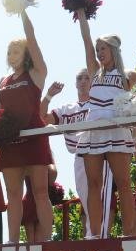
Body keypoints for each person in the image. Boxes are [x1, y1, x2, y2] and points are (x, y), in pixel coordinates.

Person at [73, 9, 136, 239]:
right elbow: (85, 39)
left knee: (123, 183)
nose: (99, 52)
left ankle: (129, 233)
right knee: (94, 185)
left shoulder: (127, 74)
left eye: (103, 48)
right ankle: (94, 234)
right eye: (97, 50)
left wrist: (135, 96)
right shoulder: (94, 72)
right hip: (94, 129)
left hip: (116, 129)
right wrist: (82, 16)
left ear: (113, 49)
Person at [0, 8, 52, 243]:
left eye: (16, 50)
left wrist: (22, 13)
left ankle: (47, 239)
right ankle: (12, 240)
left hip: (33, 137)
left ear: (26, 53)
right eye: (9, 51)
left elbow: (33, 39)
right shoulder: (3, 80)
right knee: (13, 194)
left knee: (40, 191)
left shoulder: (36, 73)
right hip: (11, 143)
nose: (11, 54)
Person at [41, 70, 114, 238]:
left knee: (102, 197)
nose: (82, 81)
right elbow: (41, 117)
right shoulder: (68, 109)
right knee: (86, 198)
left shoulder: (98, 104)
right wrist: (49, 96)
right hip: (80, 157)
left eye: (87, 77)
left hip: (99, 154)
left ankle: (100, 237)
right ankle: (93, 235)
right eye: (79, 78)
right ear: (75, 83)